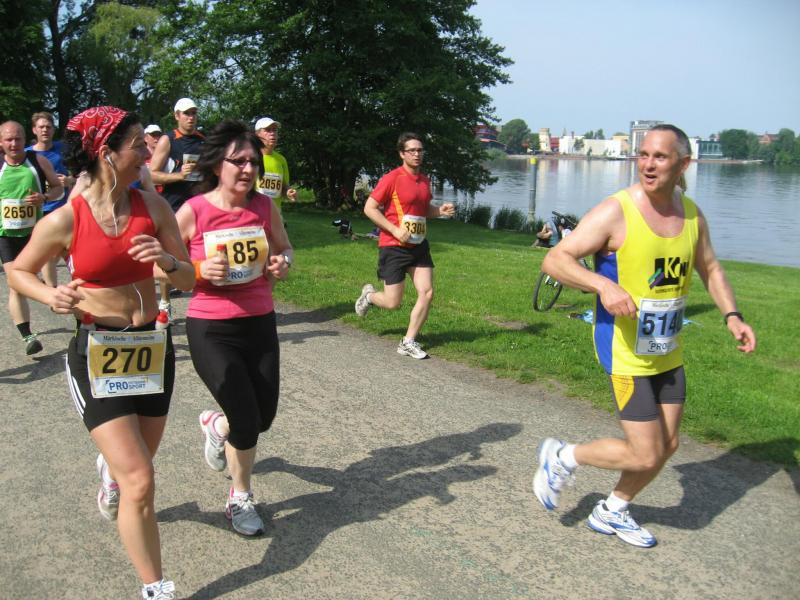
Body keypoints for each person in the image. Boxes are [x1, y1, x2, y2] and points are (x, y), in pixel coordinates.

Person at [532, 124, 757, 548]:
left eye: (660, 157)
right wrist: (603, 285)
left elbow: (710, 268)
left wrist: (732, 315)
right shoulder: (616, 211)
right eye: (644, 155)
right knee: (645, 451)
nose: (648, 165)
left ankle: (612, 509)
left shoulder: (691, 215)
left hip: (666, 348)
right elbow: (556, 259)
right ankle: (562, 456)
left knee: (667, 444)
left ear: (683, 164)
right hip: (624, 349)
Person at [7, 106, 194, 599]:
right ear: (106, 153)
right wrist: (51, 295)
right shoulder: (68, 218)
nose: (148, 153)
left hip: (151, 347)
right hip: (97, 352)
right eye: (137, 145)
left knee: (137, 465)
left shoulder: (154, 208)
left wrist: (167, 259)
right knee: (141, 479)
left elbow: (189, 278)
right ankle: (155, 587)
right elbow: (18, 271)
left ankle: (110, 471)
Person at [175, 119, 292, 536]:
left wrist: (282, 263)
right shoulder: (193, 211)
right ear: (216, 165)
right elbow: (161, 267)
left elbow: (285, 248)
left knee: (263, 418)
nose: (247, 169)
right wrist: (199, 269)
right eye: (238, 161)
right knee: (246, 417)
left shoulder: (264, 207)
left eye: (253, 162)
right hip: (211, 327)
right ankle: (240, 496)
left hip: (259, 322)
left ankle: (216, 426)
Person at [354, 132, 455, 359]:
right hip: (394, 246)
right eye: (412, 150)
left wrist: (440, 211)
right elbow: (370, 208)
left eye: (420, 150)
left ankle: (408, 341)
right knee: (392, 303)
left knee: (427, 292)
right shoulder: (392, 178)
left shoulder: (425, 180)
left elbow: (422, 210)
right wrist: (394, 230)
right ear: (402, 154)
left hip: (418, 245)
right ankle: (369, 296)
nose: (417, 154)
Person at [0, 120, 64, 355]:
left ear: (24, 139)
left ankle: (55, 297)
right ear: (1, 142)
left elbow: (58, 189)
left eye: (17, 139)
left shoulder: (38, 161)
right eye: (8, 139)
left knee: (30, 281)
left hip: (34, 234)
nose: (13, 144)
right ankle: (28, 336)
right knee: (15, 284)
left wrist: (44, 197)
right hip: (6, 235)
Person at [149, 98, 205, 319]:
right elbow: (152, 175)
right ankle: (165, 302)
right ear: (177, 116)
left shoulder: (203, 140)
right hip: (173, 206)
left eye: (194, 113)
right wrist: (179, 176)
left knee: (200, 254)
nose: (191, 117)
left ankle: (203, 301)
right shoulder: (168, 140)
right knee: (170, 256)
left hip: (198, 206)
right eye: (186, 113)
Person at [26, 111, 76, 286]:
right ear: (34, 130)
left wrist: (70, 180)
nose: (45, 130)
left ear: (53, 130)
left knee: (72, 251)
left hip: (64, 208)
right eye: (41, 127)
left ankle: (82, 287)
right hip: (40, 211)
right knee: (48, 254)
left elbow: (84, 174)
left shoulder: (64, 150)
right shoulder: (26, 155)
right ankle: (52, 291)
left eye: (48, 127)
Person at [253, 116, 297, 214]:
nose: (272, 133)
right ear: (257, 135)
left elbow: (284, 187)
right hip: (253, 215)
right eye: (268, 130)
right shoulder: (250, 157)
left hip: (274, 215)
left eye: (274, 130)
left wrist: (288, 192)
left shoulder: (281, 160)